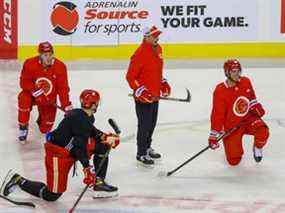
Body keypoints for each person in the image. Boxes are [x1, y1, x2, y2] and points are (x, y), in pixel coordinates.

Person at [1, 89, 120, 201]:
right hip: (58, 154)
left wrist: (105, 137)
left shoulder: (84, 115)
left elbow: (90, 130)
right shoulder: (79, 119)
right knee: (52, 195)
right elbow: (80, 147)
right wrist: (87, 168)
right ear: (94, 105)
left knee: (103, 146)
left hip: (70, 147)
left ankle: (99, 182)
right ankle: (18, 180)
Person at [208, 59, 270, 165]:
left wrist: (256, 106)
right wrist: (213, 135)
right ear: (227, 73)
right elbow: (217, 114)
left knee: (263, 131)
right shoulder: (220, 91)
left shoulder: (246, 81)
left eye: (238, 71)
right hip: (232, 126)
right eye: (233, 71)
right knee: (234, 161)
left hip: (248, 119)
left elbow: (251, 97)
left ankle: (257, 147)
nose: (237, 74)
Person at [126, 26, 171, 166]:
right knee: (144, 125)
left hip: (155, 95)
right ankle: (140, 153)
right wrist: (140, 90)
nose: (157, 38)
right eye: (155, 36)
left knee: (152, 124)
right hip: (143, 98)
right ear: (146, 37)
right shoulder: (139, 53)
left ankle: (147, 147)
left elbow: (156, 71)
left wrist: (163, 82)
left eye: (158, 35)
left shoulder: (158, 49)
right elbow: (130, 77)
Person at [17, 41, 73, 144]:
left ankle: (41, 119)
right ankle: (23, 126)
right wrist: (37, 93)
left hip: (49, 100)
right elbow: (24, 82)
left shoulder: (60, 67)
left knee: (45, 129)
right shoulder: (30, 63)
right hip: (32, 96)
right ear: (40, 55)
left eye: (50, 54)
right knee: (23, 98)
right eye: (45, 55)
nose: (48, 57)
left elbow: (63, 89)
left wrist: (66, 105)